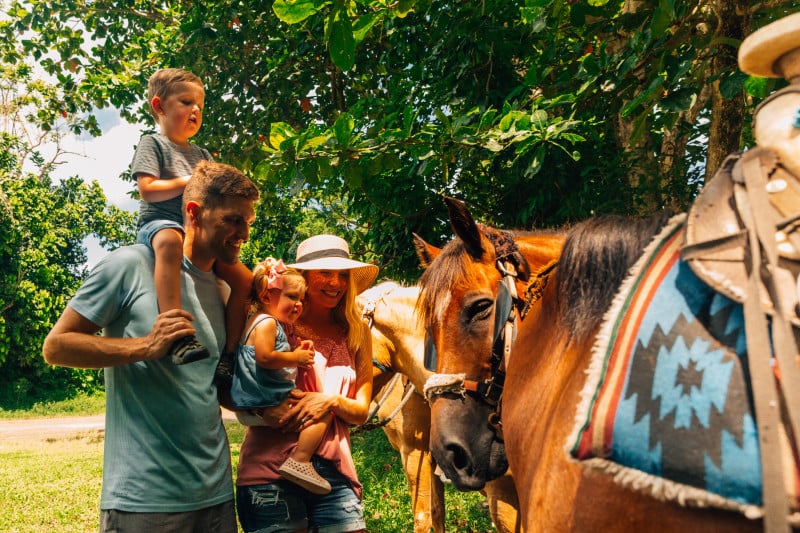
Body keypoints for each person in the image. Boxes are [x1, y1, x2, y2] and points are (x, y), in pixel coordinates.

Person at [42, 160, 259, 533]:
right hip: (144, 502)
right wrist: (143, 347)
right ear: (194, 213)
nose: (243, 233)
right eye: (232, 220)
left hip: (216, 498)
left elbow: (212, 388)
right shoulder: (129, 265)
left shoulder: (224, 290)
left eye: (247, 223)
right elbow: (57, 346)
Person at [235, 234, 378, 533]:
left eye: (342, 275)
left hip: (334, 474)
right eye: (325, 272)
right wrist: (260, 413)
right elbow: (234, 380)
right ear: (305, 277)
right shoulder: (273, 322)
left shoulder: (357, 331)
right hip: (269, 471)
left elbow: (361, 411)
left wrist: (331, 401)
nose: (336, 283)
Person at [132, 67, 252, 365]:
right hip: (160, 224)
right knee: (170, 242)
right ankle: (177, 332)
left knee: (245, 280)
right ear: (158, 106)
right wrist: (188, 182)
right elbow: (147, 190)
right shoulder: (153, 143)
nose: (195, 110)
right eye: (186, 102)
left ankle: (231, 353)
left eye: (199, 105)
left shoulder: (203, 154)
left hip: (197, 231)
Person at [231, 257, 332, 495]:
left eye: (301, 298)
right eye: (292, 297)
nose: (299, 304)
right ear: (266, 297)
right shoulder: (267, 323)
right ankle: (300, 460)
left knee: (310, 403)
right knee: (323, 412)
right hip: (265, 398)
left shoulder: (263, 322)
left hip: (262, 396)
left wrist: (295, 350)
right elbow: (265, 357)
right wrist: (295, 358)